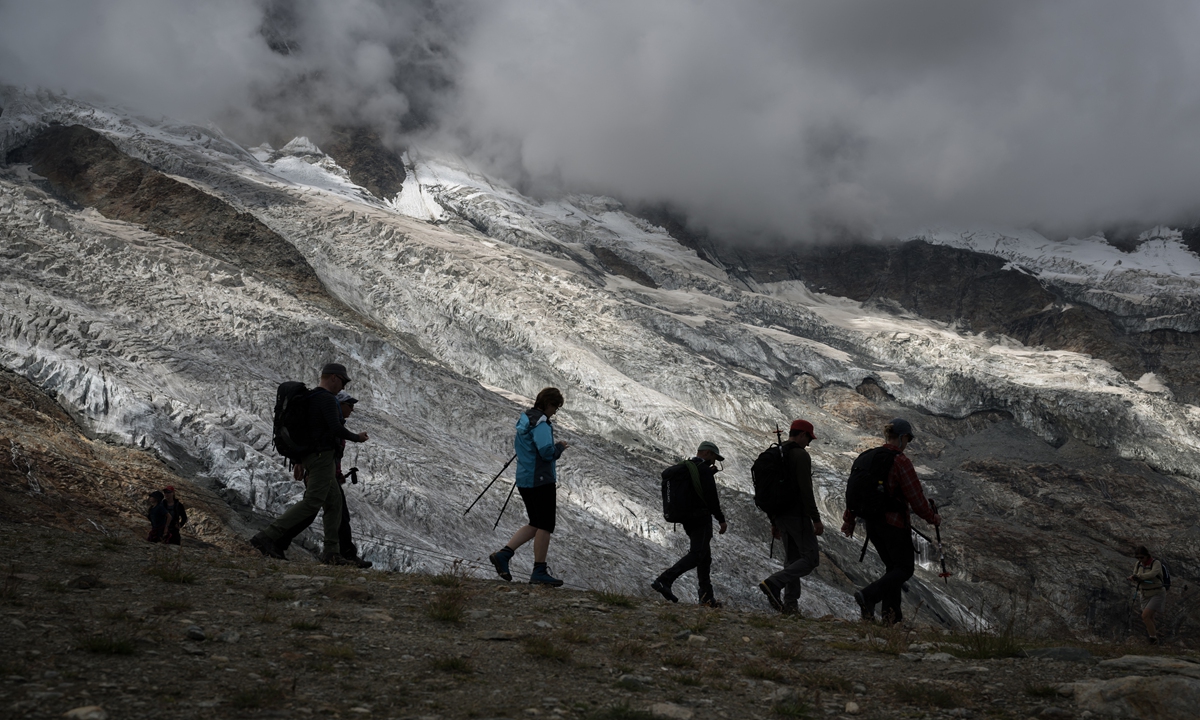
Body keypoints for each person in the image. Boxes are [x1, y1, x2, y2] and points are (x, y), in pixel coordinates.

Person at [251, 363, 369, 565]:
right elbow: (335, 428)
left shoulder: (311, 398)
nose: (343, 387)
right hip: (323, 457)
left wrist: (299, 460)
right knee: (313, 502)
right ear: (333, 378)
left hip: (313, 458)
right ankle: (267, 536)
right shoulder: (326, 399)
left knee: (334, 502)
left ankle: (332, 553)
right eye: (342, 381)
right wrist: (357, 437)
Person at [840, 418, 940, 625]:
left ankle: (891, 619)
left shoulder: (866, 457)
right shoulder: (900, 461)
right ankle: (869, 596)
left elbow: (854, 493)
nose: (907, 444)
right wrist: (932, 517)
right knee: (904, 569)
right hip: (894, 524)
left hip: (872, 525)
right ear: (903, 437)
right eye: (908, 440)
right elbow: (916, 497)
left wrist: (849, 521)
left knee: (892, 569)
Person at [273, 391, 372, 568]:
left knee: (332, 512)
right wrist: (302, 464)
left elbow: (331, 453)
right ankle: (272, 539)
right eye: (350, 405)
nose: (352, 409)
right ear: (340, 405)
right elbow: (318, 447)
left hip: (328, 474)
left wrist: (336, 472)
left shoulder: (334, 424)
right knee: (319, 511)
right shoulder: (330, 423)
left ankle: (339, 553)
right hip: (321, 473)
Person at [489, 388, 570, 586]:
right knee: (545, 525)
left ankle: (504, 555)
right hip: (541, 480)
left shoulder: (525, 420)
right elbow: (546, 453)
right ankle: (539, 570)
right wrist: (559, 447)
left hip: (525, 479)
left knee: (535, 523)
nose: (554, 412)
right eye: (555, 408)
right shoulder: (541, 423)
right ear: (548, 404)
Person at [650, 441, 729, 608]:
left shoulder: (686, 468)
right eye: (714, 457)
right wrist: (720, 519)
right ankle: (665, 580)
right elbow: (711, 497)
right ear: (707, 453)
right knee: (697, 554)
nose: (714, 462)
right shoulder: (703, 470)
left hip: (687, 519)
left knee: (704, 557)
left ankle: (706, 597)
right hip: (701, 518)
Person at [758, 420, 823, 615]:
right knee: (810, 559)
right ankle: (774, 583)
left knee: (793, 559)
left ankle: (790, 606)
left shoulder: (777, 454)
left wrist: (774, 520)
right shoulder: (799, 455)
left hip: (780, 515)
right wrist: (816, 518)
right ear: (802, 434)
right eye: (809, 438)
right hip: (797, 515)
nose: (809, 443)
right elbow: (805, 489)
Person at [1128, 545, 1166, 644]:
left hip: (1157, 593)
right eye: (1138, 558)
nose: (1140, 560)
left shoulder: (1156, 563)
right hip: (1144, 594)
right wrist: (1134, 578)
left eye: (1142, 557)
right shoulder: (1138, 564)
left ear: (1147, 556)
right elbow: (1135, 574)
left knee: (1145, 616)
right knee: (1149, 618)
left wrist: (1138, 576)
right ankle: (1157, 639)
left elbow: (1152, 574)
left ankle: (1152, 639)